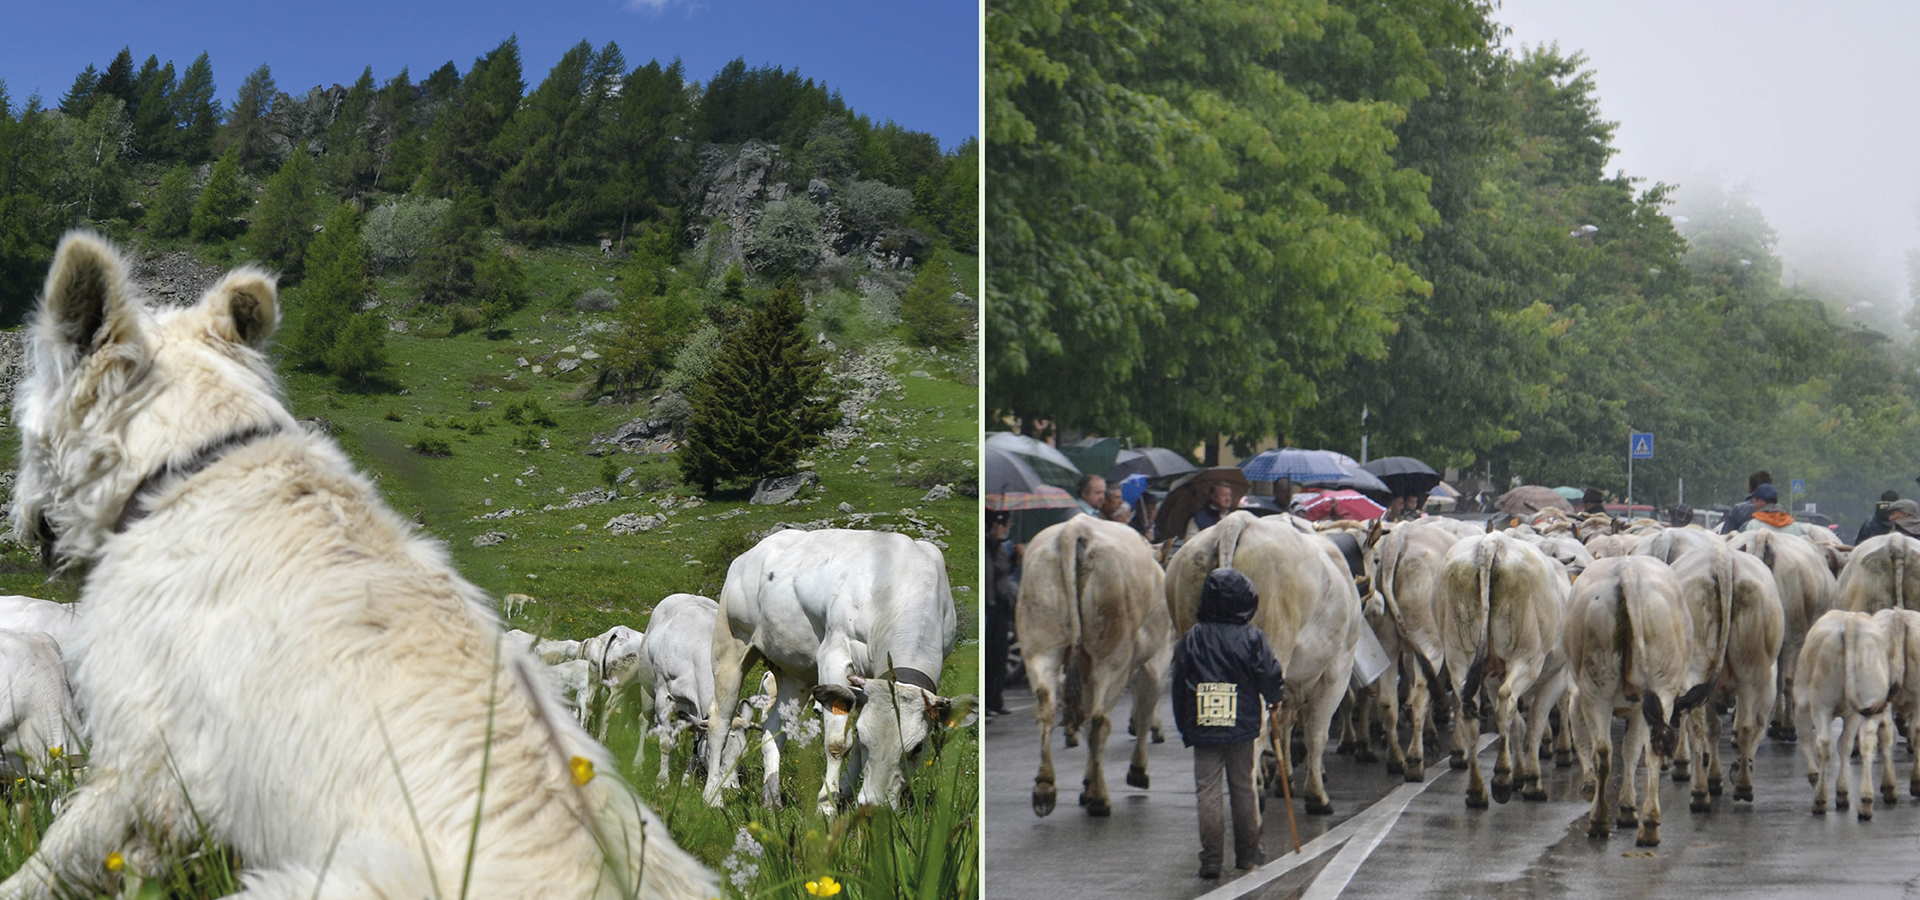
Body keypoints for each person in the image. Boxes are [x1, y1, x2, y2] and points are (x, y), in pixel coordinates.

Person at [1170, 568, 1285, 880]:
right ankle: (1247, 854)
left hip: (1203, 722)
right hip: (1241, 721)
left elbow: (1178, 684)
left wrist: (1185, 726)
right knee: (1243, 787)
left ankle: (1210, 859)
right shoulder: (1251, 637)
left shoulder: (1191, 638)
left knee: (1207, 792)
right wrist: (1274, 697)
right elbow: (1268, 673)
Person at [984, 511, 1021, 717]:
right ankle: (989, 702)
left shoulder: (997, 548)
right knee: (991, 656)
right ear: (996, 527)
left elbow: (1002, 574)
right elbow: (994, 577)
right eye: (1005, 525)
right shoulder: (988, 548)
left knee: (999, 655)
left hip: (999, 607)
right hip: (992, 606)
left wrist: (1014, 559)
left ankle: (996, 700)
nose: (1007, 529)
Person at [1740, 483, 1805, 536]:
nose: (1753, 506)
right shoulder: (1796, 527)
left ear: (1761, 501)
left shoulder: (1752, 526)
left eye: (1754, 501)